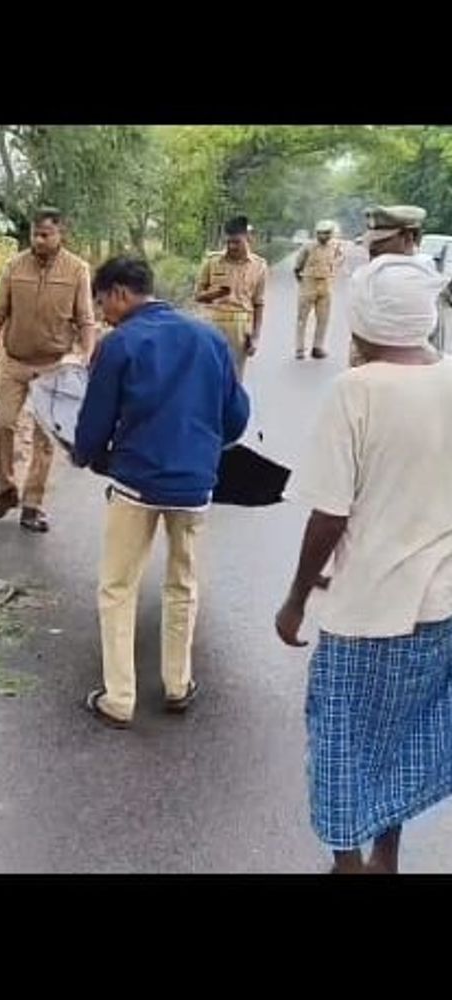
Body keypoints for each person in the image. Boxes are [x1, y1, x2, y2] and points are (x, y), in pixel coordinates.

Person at [276, 253, 452, 874]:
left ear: (365, 326)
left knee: (343, 739)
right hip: (440, 609)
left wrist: (297, 596)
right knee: (402, 736)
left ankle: (348, 864)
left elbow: (329, 513)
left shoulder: (357, 390)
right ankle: (387, 856)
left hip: (368, 612)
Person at [74, 257, 250, 728]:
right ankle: (177, 684)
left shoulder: (120, 345)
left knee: (117, 586)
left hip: (135, 484)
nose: (104, 313)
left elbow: (94, 423)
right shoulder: (210, 339)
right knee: (183, 584)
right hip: (194, 486)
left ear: (119, 294)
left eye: (103, 302)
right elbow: (236, 419)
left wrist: (87, 455)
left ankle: (119, 698)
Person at [0, 208, 97, 534]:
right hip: (15, 362)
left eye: (45, 234)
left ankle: (32, 503)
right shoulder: (14, 267)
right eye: (34, 234)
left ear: (61, 234)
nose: (38, 240)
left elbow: (85, 319)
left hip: (54, 365)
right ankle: (5, 490)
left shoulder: (77, 270)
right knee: (2, 425)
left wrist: (87, 357)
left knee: (44, 438)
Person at [350, 205, 427, 367]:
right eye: (371, 239)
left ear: (408, 237)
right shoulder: (369, 274)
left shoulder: (423, 279)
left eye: (382, 240)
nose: (372, 246)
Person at [194, 216, 267, 379]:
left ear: (248, 239)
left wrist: (255, 337)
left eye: (236, 242)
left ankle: (231, 405)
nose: (231, 246)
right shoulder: (212, 261)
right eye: (228, 242)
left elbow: (259, 303)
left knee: (234, 377)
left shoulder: (259, 266)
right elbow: (197, 296)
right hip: (212, 322)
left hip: (240, 327)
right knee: (208, 373)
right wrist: (215, 294)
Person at [294, 220, 344, 360]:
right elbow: (298, 266)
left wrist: (333, 269)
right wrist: (302, 281)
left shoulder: (335, 246)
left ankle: (317, 347)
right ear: (316, 234)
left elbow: (340, 258)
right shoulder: (308, 247)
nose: (323, 236)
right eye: (320, 233)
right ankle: (299, 348)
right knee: (302, 318)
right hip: (309, 284)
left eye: (326, 233)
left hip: (326, 285)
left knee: (323, 319)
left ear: (331, 234)